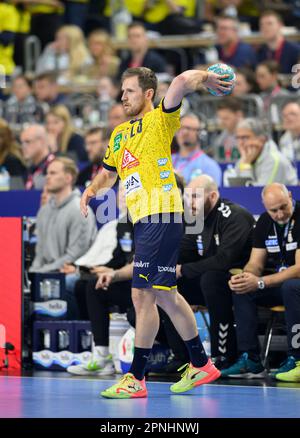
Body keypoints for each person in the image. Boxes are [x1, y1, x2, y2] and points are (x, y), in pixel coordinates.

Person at [80, 66, 232, 398]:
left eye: (129, 91)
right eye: (121, 91)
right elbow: (108, 174)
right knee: (164, 293)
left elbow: (180, 82)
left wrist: (205, 77)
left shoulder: (160, 120)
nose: (122, 96)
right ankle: (201, 363)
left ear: (148, 94)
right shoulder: (119, 133)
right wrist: (91, 189)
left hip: (161, 213)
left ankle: (135, 377)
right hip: (145, 219)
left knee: (142, 295)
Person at [222, 183, 300, 382]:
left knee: (291, 287)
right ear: (264, 206)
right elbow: (255, 263)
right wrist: (246, 277)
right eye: (273, 210)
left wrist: (262, 282)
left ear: (290, 196)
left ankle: (296, 358)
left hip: (294, 284)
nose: (280, 214)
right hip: (279, 283)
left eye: (284, 206)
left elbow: (299, 269)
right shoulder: (265, 222)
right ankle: (251, 359)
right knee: (243, 289)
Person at [175, 174, 254, 370]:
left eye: (196, 197)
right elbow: (183, 250)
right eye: (188, 197)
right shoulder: (196, 219)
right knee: (165, 284)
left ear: (212, 196)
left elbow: (224, 261)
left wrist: (183, 269)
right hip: (210, 280)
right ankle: (181, 356)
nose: (190, 203)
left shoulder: (234, 216)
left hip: (238, 279)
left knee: (212, 279)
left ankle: (223, 355)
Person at [30, 157, 97, 274]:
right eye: (47, 173)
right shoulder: (43, 211)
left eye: (53, 173)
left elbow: (75, 255)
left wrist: (42, 271)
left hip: (70, 274)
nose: (47, 177)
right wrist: (33, 272)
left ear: (68, 178)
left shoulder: (79, 210)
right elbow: (39, 251)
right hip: (45, 273)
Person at [223, 118, 298, 186]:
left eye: (245, 137)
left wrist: (246, 165)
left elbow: (258, 194)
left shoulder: (274, 160)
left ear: (261, 140)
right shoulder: (244, 159)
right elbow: (237, 190)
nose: (240, 143)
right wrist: (245, 163)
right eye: (238, 138)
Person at [172, 113, 222, 185]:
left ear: (201, 133)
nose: (184, 132)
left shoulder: (209, 166)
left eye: (189, 129)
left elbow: (211, 194)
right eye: (180, 128)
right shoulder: (168, 160)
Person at [257, 10, 300, 74]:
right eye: (261, 24)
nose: (265, 27)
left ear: (280, 25)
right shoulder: (260, 52)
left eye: (269, 23)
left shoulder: (295, 50)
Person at [21, 124, 55, 190]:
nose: (23, 147)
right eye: (22, 143)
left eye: (27, 142)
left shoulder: (54, 166)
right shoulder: (30, 168)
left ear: (41, 141)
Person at [213, 97, 244, 162]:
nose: (222, 122)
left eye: (226, 118)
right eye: (220, 118)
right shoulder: (220, 140)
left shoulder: (248, 138)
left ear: (238, 115)